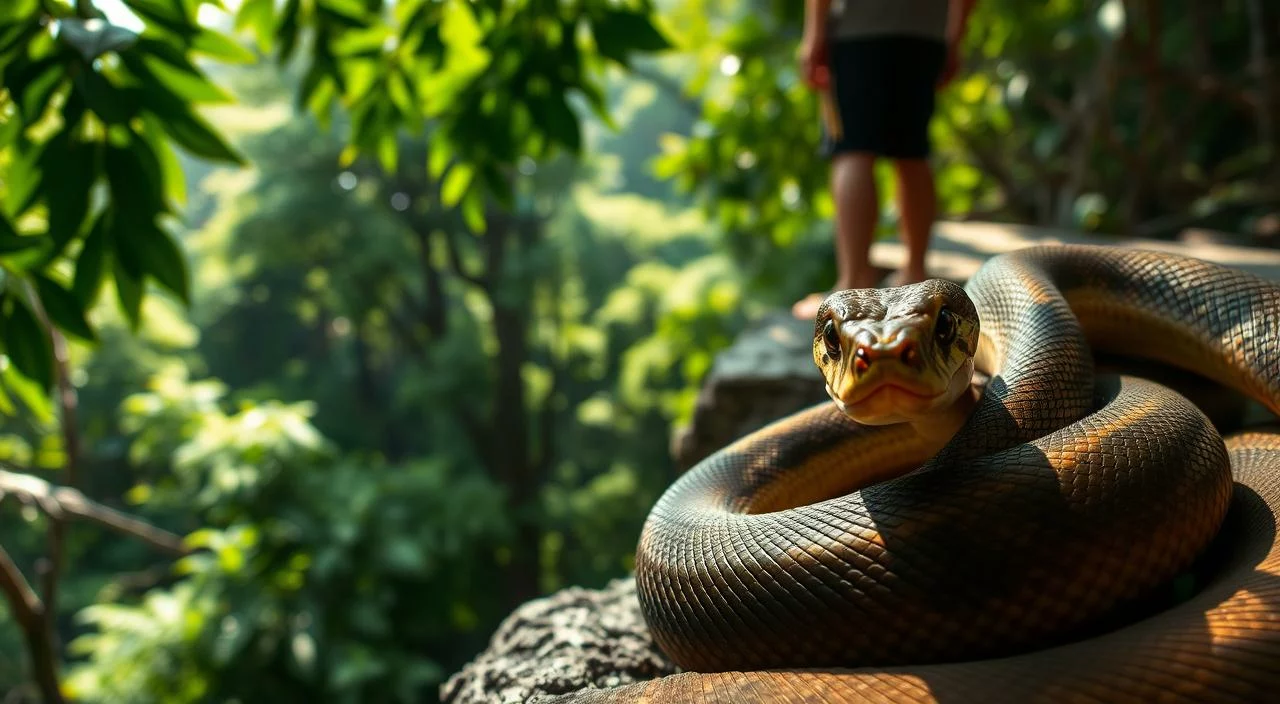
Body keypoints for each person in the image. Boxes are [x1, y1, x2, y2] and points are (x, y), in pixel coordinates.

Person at [791, 0, 977, 320]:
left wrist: (813, 36)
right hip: (924, 32)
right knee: (912, 151)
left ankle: (850, 287)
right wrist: (954, 35)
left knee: (853, 151)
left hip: (858, 31)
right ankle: (916, 272)